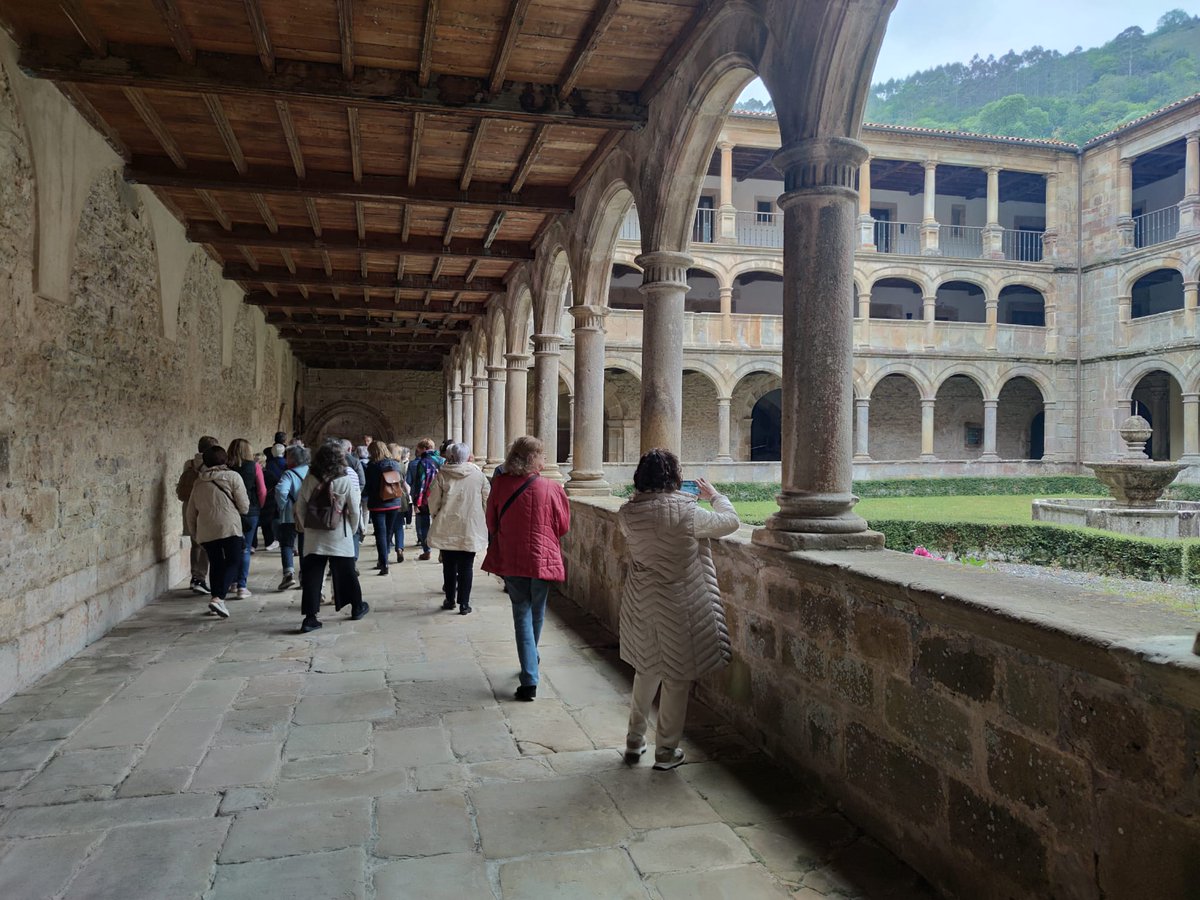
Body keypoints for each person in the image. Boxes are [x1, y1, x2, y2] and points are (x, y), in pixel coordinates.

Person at [616, 449, 740, 770]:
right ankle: (666, 751)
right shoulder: (688, 512)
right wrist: (716, 497)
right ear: (674, 477)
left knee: (646, 669)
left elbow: (645, 530)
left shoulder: (627, 513)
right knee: (677, 676)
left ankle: (634, 739)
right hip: (679, 604)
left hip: (643, 601)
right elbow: (730, 523)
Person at [482, 436, 570, 701]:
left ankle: (529, 674)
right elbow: (563, 526)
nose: (544, 461)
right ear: (533, 459)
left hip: (511, 556)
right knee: (537, 610)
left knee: (521, 612)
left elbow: (491, 521)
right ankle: (531, 666)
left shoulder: (500, 485)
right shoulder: (552, 488)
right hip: (541, 557)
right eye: (542, 456)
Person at [294, 440, 366, 633]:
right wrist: (351, 531)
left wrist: (306, 525)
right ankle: (357, 607)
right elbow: (354, 509)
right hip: (338, 533)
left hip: (314, 535)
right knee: (347, 573)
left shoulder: (311, 478)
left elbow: (300, 505)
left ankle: (310, 618)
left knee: (312, 576)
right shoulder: (345, 478)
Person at [184, 444, 249, 619]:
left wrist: (195, 533)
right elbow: (244, 507)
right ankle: (218, 598)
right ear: (224, 459)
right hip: (229, 527)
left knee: (216, 564)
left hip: (206, 530)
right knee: (234, 561)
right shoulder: (233, 477)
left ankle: (216, 599)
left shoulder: (198, 482)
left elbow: (191, 512)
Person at [428, 442, 490, 615]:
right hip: (469, 526)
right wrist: (481, 517)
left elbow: (433, 500)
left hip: (447, 525)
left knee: (448, 565)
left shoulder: (442, 475)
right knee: (466, 567)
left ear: (451, 456)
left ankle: (450, 599)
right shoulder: (478, 476)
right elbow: (487, 499)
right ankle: (464, 603)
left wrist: (436, 515)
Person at [176, 435, 219, 596]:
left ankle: (194, 576)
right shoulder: (212, 463)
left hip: (189, 506)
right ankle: (201, 577)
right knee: (207, 543)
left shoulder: (189, 463)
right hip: (205, 505)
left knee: (195, 544)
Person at [227, 438, 267, 598]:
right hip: (250, 511)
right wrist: (259, 506)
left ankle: (233, 582)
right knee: (245, 548)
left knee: (231, 547)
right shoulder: (255, 466)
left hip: (230, 511)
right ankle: (242, 587)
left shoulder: (227, 467)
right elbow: (262, 490)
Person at [363, 441, 405, 576]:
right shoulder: (395, 464)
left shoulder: (371, 466)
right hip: (394, 502)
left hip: (377, 504)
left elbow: (368, 486)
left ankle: (383, 562)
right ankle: (384, 558)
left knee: (380, 534)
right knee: (388, 531)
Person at [275, 444, 310, 591]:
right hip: (307, 514)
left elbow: (281, 491)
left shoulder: (288, 474)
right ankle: (305, 577)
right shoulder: (310, 471)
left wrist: (283, 506)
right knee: (304, 546)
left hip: (290, 514)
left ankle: (288, 573)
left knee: (287, 544)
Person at [406, 438, 443, 560]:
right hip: (441, 497)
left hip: (426, 498)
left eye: (419, 449)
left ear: (424, 449)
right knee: (440, 524)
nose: (418, 451)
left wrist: (417, 501)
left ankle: (427, 550)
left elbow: (421, 482)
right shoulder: (443, 460)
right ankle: (443, 551)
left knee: (423, 525)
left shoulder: (423, 462)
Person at [388, 443, 411, 563]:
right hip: (399, 496)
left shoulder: (383, 465)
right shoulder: (401, 465)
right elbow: (404, 482)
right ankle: (400, 548)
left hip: (386, 496)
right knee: (399, 526)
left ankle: (385, 551)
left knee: (388, 527)